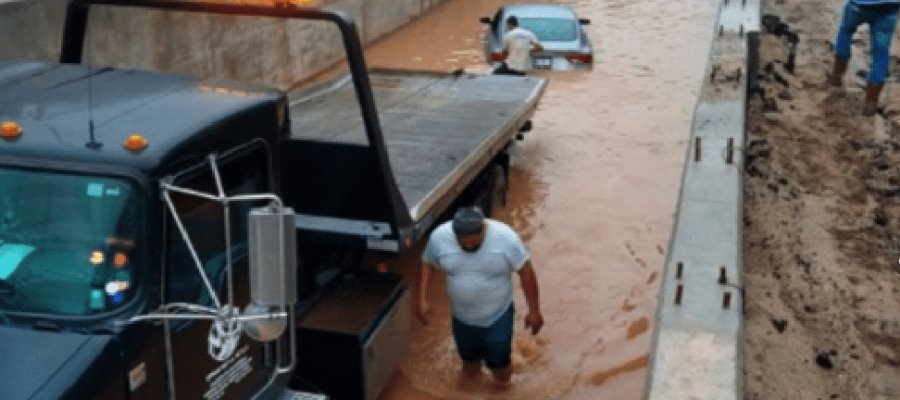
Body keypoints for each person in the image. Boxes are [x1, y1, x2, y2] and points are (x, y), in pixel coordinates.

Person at [417, 206, 544, 384]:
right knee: (469, 366)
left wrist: (534, 311)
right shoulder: (440, 237)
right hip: (462, 320)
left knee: (500, 370)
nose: (468, 245)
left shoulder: (506, 238)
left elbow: (526, 271)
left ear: (484, 228)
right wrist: (422, 299)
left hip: (497, 318)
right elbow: (427, 263)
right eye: (463, 241)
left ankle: (503, 392)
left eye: (473, 240)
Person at [829, 0, 900, 116]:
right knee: (881, 52)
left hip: (860, 4)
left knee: (845, 31)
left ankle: (836, 76)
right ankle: (870, 104)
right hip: (889, 7)